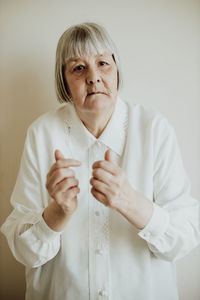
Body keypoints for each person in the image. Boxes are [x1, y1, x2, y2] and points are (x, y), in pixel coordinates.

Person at [1, 22, 200, 300]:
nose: (94, 77)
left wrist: (129, 201)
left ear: (117, 70)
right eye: (79, 68)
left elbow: (186, 235)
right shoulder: (41, 133)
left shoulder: (154, 128)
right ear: (64, 82)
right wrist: (57, 213)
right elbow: (24, 252)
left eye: (103, 63)